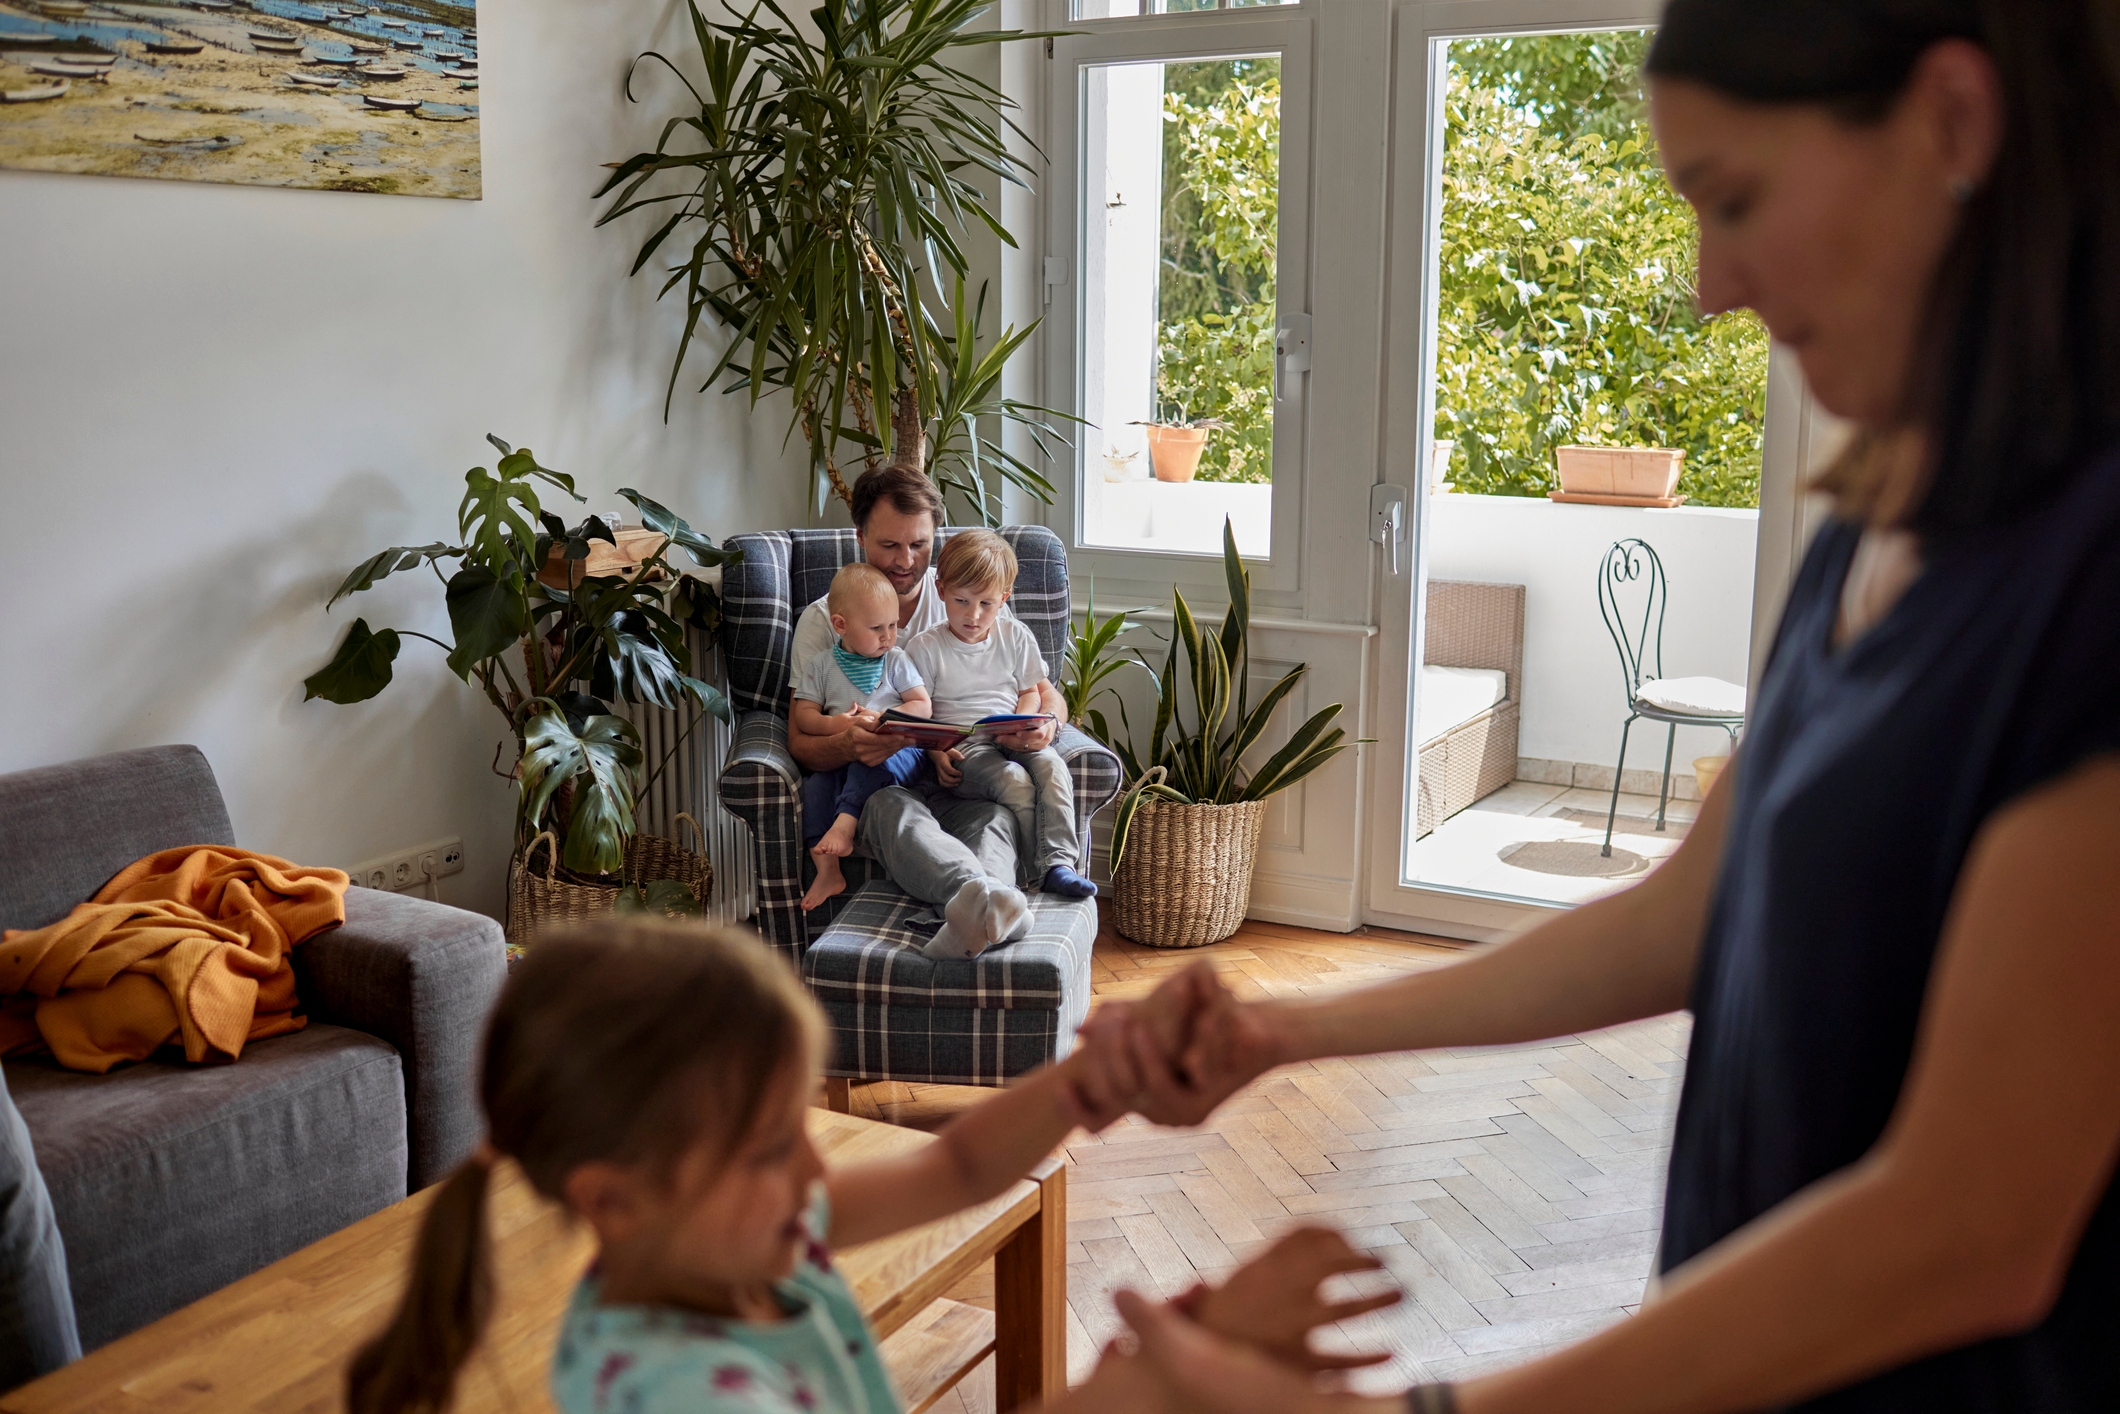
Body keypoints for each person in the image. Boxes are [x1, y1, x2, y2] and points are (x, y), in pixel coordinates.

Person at [1070, 2, 2120, 1411]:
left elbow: (1970, 1228)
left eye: (1734, 198)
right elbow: (1693, 914)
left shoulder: (2094, 581)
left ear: (1953, 120)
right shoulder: (1868, 537)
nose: (1710, 286)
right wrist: (1285, 1035)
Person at [342, 919, 1404, 1414]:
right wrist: (1148, 1389)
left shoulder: (731, 1246)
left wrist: (1092, 1083)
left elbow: (956, 1167)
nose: (813, 1156)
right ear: (614, 1198)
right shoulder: (685, 1397)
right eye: (767, 1143)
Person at [786, 466, 1071, 957]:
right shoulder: (825, 619)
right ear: (860, 536)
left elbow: (1043, 690)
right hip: (884, 784)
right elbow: (798, 740)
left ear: (935, 537)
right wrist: (847, 742)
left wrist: (1048, 726)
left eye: (918, 545)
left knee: (994, 820)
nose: (904, 561)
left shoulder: (964, 595)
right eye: (889, 545)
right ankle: (974, 901)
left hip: (964, 775)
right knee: (894, 812)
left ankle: (995, 910)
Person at [906, 531, 1099, 937]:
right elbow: (919, 715)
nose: (973, 615)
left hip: (1011, 734)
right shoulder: (925, 648)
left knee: (1052, 769)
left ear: (1005, 598)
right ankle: (1031, 874)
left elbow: (1031, 692)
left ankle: (1060, 864)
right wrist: (937, 754)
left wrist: (1027, 723)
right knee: (1014, 781)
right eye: (961, 601)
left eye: (986, 604)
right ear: (940, 590)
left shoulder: (1015, 636)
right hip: (965, 747)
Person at [792, 563, 932, 912]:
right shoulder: (822, 666)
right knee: (814, 787)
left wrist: (887, 718)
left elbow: (922, 704)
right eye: (876, 628)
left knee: (871, 756)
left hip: (896, 750)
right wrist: (841, 724)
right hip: (844, 751)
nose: (888, 636)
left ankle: (845, 824)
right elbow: (804, 717)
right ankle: (827, 869)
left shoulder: (895, 660)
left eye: (893, 625)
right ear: (840, 625)